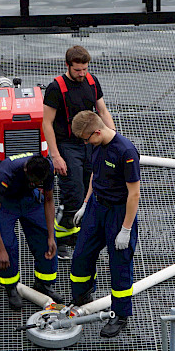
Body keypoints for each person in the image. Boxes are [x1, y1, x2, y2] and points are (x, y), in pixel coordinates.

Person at [67, 110, 140, 339]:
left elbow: (134, 194)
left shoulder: (125, 151)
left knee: (119, 264)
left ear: (97, 132)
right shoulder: (96, 145)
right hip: (96, 207)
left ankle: (120, 314)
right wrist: (86, 203)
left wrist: (125, 229)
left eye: (87, 139)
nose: (85, 144)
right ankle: (82, 295)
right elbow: (94, 175)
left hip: (118, 213)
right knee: (80, 255)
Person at [41, 45, 115, 256]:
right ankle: (61, 239)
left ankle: (81, 236)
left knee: (90, 193)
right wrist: (55, 156)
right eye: (77, 70)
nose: (82, 74)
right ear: (68, 66)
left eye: (85, 69)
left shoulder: (91, 82)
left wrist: (113, 137)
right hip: (67, 145)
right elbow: (47, 123)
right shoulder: (56, 88)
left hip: (90, 143)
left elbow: (102, 110)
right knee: (72, 194)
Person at [0, 153, 61, 310]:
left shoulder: (47, 169)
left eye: (38, 183)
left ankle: (43, 284)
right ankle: (11, 287)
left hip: (28, 199)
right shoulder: (6, 172)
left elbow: (48, 200)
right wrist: (1, 249)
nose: (37, 183)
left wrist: (50, 236)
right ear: (26, 171)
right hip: (6, 202)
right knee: (5, 244)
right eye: (34, 181)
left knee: (46, 239)